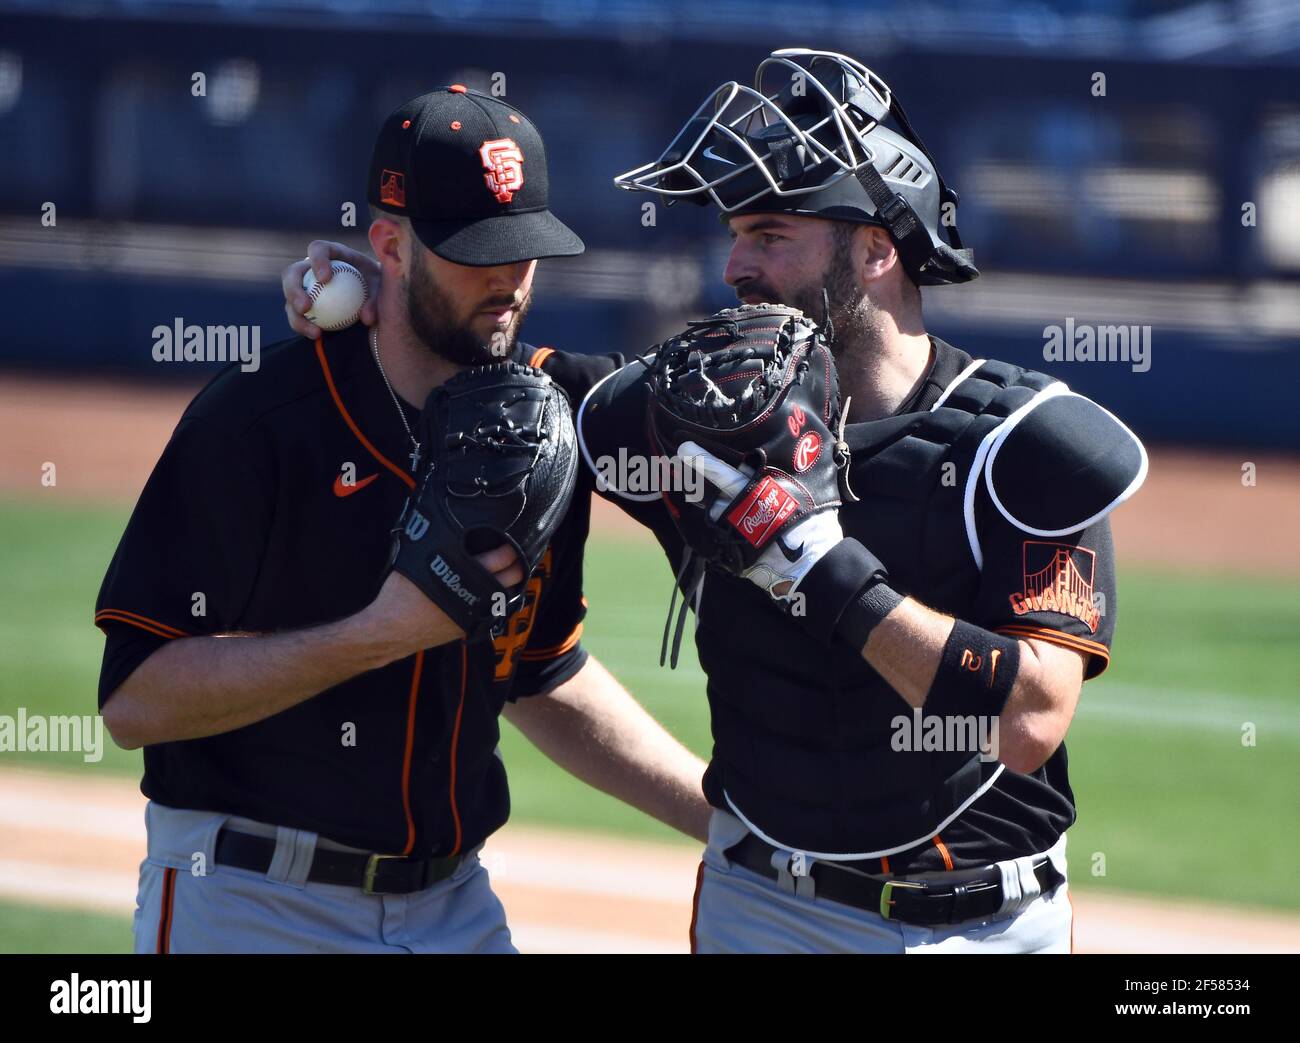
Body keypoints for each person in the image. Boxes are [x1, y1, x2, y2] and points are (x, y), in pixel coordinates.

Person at [280, 50, 1147, 954]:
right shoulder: (674, 418)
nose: (734, 265)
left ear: (877, 246)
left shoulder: (1026, 444)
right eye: (735, 234)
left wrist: (813, 558)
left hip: (990, 926)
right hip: (761, 910)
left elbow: (1030, 719)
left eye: (771, 234)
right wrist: (373, 284)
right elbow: (488, 384)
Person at [96, 85, 709, 955]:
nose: (507, 279)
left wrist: (721, 815)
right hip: (252, 901)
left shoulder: (546, 418)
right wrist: (377, 634)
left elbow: (539, 669)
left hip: (455, 905)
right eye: (476, 252)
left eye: (525, 249)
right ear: (388, 245)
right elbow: (133, 699)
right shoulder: (257, 419)